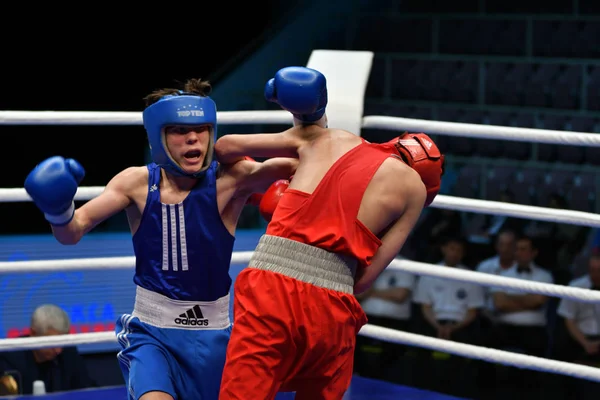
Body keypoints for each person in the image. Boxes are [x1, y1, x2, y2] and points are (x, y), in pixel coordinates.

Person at [23, 79, 297, 400]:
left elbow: (307, 162)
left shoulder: (232, 181)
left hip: (215, 335)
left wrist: (305, 120)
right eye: (179, 130)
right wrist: (59, 211)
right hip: (152, 334)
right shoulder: (135, 183)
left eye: (202, 128)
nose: (193, 137)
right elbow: (72, 232)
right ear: (158, 136)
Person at [214, 66, 444, 400]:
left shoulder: (331, 138)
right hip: (334, 302)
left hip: (272, 283)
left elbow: (225, 147)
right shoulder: (414, 193)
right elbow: (362, 281)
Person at [0, 304, 95, 395]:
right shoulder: (9, 359)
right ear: (33, 333)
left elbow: (87, 390)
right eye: (52, 343)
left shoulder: (69, 352)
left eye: (62, 342)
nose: (58, 350)